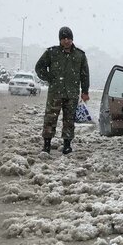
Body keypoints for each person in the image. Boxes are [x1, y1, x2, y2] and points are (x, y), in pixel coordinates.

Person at [35, 26, 90, 155]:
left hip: (71, 94)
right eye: (64, 38)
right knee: (50, 119)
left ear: (72, 39)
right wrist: (49, 78)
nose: (66, 41)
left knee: (69, 120)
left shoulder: (80, 55)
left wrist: (85, 91)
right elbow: (39, 67)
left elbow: (85, 74)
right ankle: (47, 145)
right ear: (60, 40)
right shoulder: (51, 53)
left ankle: (67, 145)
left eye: (69, 38)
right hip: (55, 93)